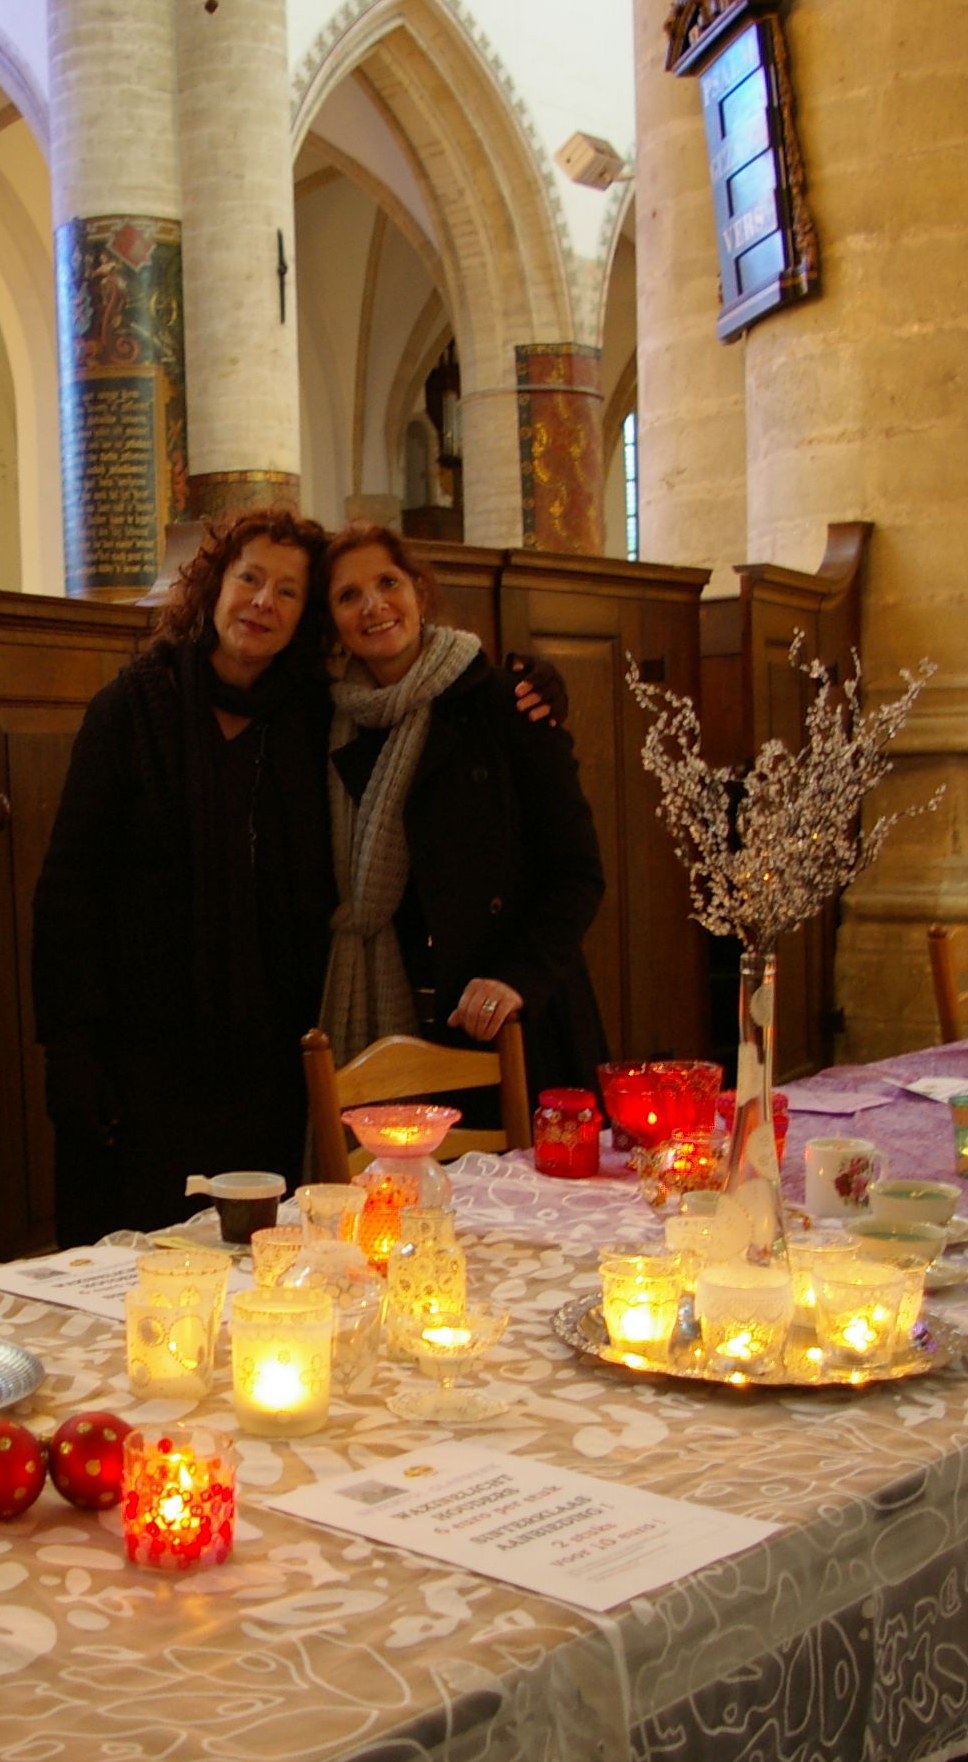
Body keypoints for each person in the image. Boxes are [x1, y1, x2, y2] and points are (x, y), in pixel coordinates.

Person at [30, 509, 337, 1243]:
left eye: (289, 592)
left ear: (307, 614)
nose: (263, 602)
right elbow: (68, 889)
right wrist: (69, 1050)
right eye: (250, 578)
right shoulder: (131, 708)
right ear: (214, 586)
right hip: (142, 1060)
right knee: (143, 1266)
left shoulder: (317, 719)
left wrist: (530, 684)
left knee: (265, 1264)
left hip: (270, 1058)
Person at [317, 523, 608, 1093]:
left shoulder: (507, 703)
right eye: (348, 596)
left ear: (419, 593)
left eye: (387, 582)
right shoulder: (330, 729)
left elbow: (577, 873)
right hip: (388, 1016)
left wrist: (513, 979)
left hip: (507, 1022)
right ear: (333, 625)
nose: (373, 606)